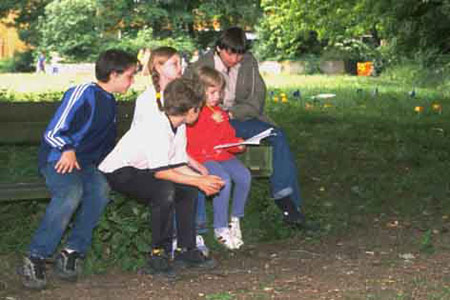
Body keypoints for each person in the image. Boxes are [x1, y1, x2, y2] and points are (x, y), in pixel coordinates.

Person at [20, 49, 138, 290]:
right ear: (113, 75)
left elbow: (104, 145)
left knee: (100, 190)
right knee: (71, 193)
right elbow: (53, 131)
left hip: (84, 165)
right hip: (58, 159)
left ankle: (72, 251)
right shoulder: (83, 93)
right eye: (129, 76)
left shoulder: (110, 102)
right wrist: (67, 148)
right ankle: (36, 256)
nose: (132, 81)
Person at [99, 78, 224, 277]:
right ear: (190, 109)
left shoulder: (179, 125)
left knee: (187, 189)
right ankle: (159, 255)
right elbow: (161, 172)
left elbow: (177, 164)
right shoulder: (157, 127)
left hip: (144, 170)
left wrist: (203, 178)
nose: (199, 113)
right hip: (119, 172)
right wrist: (199, 181)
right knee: (164, 190)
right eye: (198, 109)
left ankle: (186, 249)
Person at [184, 26, 307, 227]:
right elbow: (187, 100)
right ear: (219, 49)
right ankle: (205, 220)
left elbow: (257, 100)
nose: (235, 58)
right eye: (230, 53)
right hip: (208, 122)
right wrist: (211, 115)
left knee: (277, 135)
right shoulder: (199, 66)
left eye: (239, 53)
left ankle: (286, 200)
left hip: (240, 117)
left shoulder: (249, 63)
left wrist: (230, 114)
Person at [186, 66, 251, 250]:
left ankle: (235, 219)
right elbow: (194, 142)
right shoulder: (194, 113)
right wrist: (209, 123)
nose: (217, 96)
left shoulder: (220, 113)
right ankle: (220, 227)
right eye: (212, 92)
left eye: (219, 92)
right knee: (223, 180)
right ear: (200, 91)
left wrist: (238, 144)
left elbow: (228, 137)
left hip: (222, 154)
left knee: (244, 176)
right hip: (202, 158)